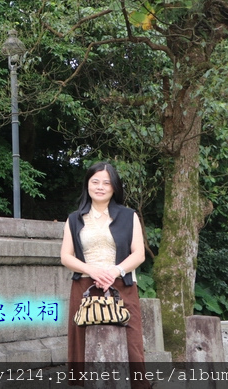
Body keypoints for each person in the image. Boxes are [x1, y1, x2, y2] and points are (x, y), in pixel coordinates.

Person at [60, 161, 148, 388]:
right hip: (85, 288)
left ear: (114, 187)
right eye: (95, 181)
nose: (100, 187)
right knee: (83, 344)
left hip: (122, 285)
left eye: (106, 183)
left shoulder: (129, 216)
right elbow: (66, 256)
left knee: (132, 345)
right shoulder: (74, 218)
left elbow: (138, 254)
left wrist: (114, 271)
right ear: (87, 185)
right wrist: (93, 270)